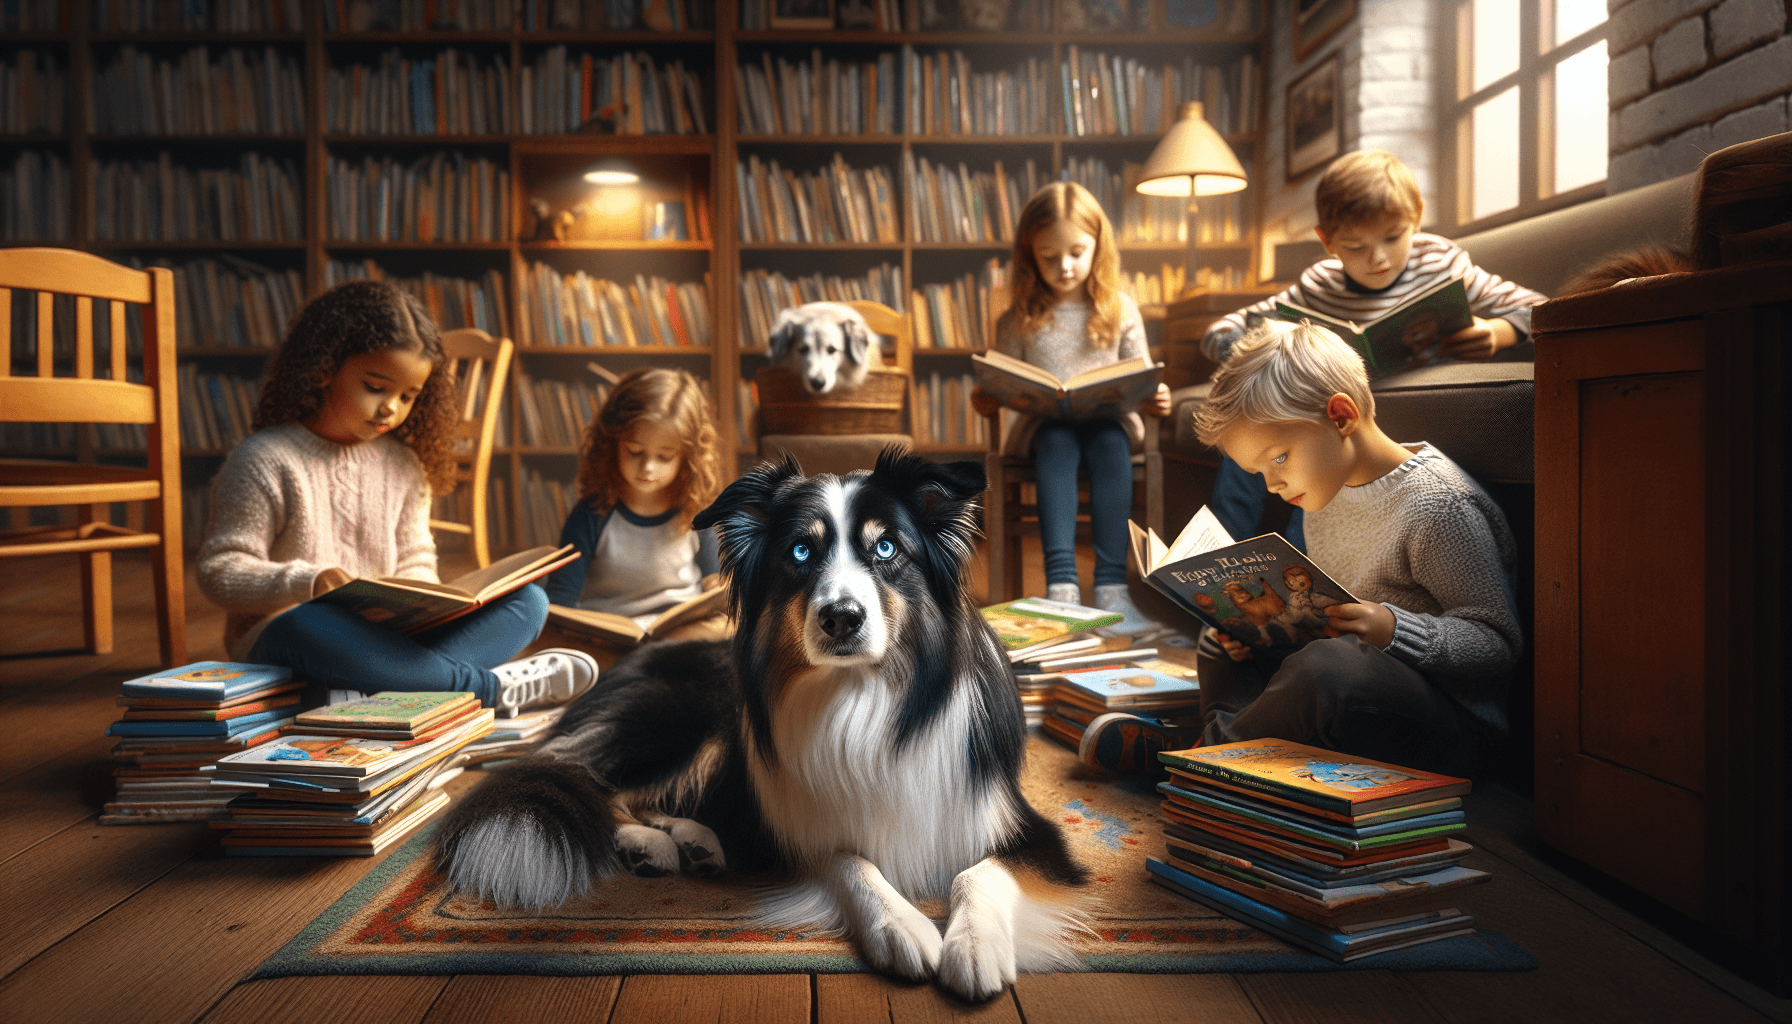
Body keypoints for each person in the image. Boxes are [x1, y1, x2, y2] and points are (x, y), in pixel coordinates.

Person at [1083, 318, 1521, 779]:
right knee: (1219, 643)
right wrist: (1256, 634)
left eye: (1278, 458)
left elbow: (1498, 641)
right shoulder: (1326, 491)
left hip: (1451, 727)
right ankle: (1227, 746)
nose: (1272, 485)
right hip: (1352, 696)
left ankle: (1199, 758)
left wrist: (1395, 629)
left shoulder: (1439, 507)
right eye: (1260, 473)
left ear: (1341, 416)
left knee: (1327, 670)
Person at [198, 280, 596, 717]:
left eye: (408, 396)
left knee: (530, 602)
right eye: (376, 387)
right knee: (309, 623)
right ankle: (487, 689)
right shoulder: (265, 458)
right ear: (324, 367)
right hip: (291, 635)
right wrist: (309, 583)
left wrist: (428, 601)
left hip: (389, 641)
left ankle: (377, 691)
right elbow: (220, 569)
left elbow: (416, 557)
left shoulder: (405, 464)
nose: (392, 407)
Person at [1199, 149, 1545, 549]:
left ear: (1415, 214)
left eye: (1393, 237)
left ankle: (1307, 563)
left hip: (1383, 398)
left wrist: (1498, 331)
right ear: (1327, 241)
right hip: (1330, 404)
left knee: (1312, 455)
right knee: (1263, 431)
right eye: (1355, 246)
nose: (1378, 258)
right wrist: (1252, 367)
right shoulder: (1320, 284)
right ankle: (1220, 551)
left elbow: (1541, 307)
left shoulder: (1441, 262)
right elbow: (1224, 327)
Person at [970, 181, 1172, 633]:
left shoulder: (1119, 309)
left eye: (1077, 252)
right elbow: (1001, 381)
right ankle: (1061, 587)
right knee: (1059, 443)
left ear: (1098, 246)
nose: (1064, 267)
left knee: (1108, 443)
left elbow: (1141, 376)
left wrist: (1156, 397)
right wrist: (988, 396)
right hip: (1045, 428)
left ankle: (1111, 588)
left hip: (1109, 424)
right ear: (1029, 254)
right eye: (1049, 257)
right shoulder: (1018, 318)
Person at [543, 367, 724, 630]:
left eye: (664, 456)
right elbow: (561, 600)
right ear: (611, 443)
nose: (648, 467)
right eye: (635, 451)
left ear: (688, 458)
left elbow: (716, 589)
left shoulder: (697, 512)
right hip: (609, 633)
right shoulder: (592, 515)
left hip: (680, 632)